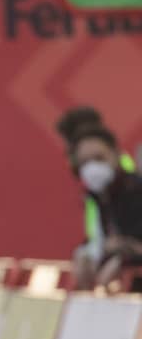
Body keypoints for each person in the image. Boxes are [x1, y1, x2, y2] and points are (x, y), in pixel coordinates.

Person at [66, 123, 142, 287]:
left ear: (115, 154)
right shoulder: (98, 198)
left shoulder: (137, 192)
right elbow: (100, 241)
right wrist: (88, 255)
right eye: (85, 162)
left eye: (99, 158)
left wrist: (122, 260)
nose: (92, 167)